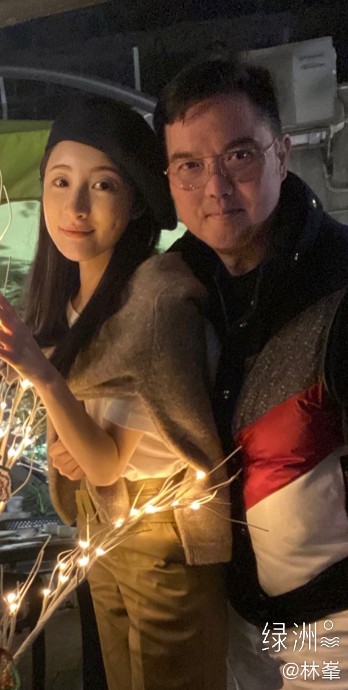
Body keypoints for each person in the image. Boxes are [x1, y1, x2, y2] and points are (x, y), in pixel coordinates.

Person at [0, 98, 231, 690]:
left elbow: (106, 461)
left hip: (163, 528)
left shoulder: (154, 300)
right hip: (104, 523)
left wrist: (40, 372)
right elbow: (85, 446)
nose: (76, 207)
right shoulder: (71, 302)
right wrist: (65, 442)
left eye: (103, 185)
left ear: (136, 200)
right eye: (60, 181)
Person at [154, 55, 348, 689]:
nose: (214, 186)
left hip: (331, 624)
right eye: (189, 165)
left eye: (238, 155)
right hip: (237, 614)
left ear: (281, 155)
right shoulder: (178, 290)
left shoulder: (337, 281)